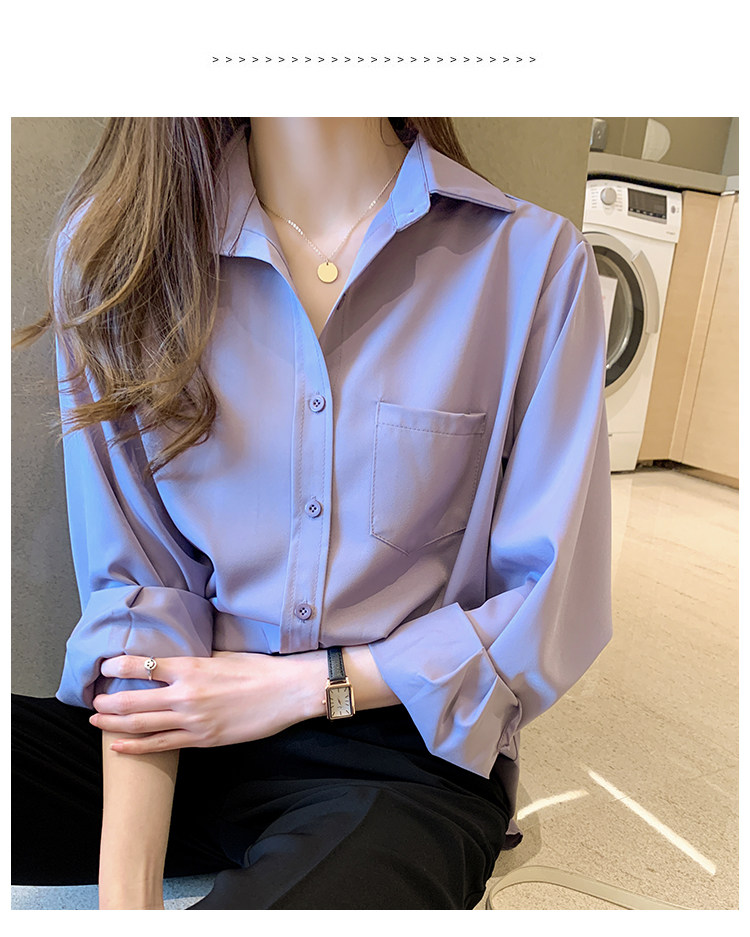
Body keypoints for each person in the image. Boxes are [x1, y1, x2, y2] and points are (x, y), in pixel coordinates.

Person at [11, 117, 613, 910]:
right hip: (175, 725)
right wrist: (129, 899)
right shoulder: (119, 256)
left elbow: (547, 600)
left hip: (399, 758)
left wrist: (309, 685)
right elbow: (138, 594)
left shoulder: (532, 265)